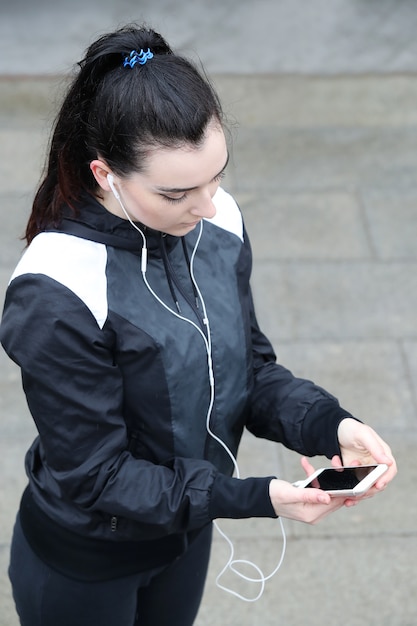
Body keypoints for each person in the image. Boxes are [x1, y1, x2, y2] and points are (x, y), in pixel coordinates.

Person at [0, 24, 396, 626]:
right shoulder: (56, 290)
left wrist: (328, 424)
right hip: (88, 557)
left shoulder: (216, 220)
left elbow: (249, 367)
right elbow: (99, 475)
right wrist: (257, 498)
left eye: (217, 176)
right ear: (106, 174)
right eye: (179, 191)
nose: (209, 205)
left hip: (187, 529)